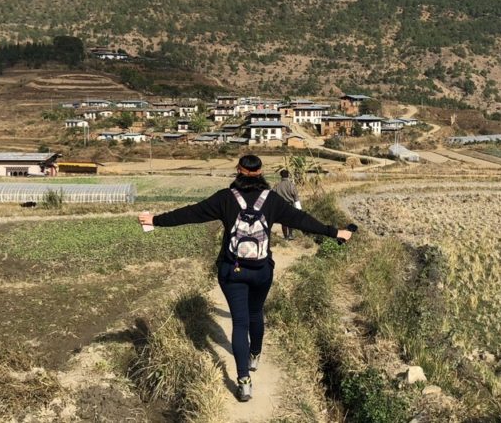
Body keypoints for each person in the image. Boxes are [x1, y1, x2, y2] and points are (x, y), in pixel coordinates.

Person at [138, 155, 352, 402]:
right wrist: (336, 232)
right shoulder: (271, 199)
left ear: (238, 171)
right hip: (261, 270)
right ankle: (255, 355)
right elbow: (303, 220)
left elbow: (191, 213)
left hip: (232, 270)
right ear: (261, 172)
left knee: (240, 323)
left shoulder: (225, 198)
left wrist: (155, 220)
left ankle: (244, 382)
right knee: (256, 313)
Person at [272, 169, 300, 240]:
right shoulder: (291, 185)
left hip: (281, 206)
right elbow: (296, 196)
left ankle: (285, 237)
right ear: (288, 175)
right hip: (290, 205)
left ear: (281, 176)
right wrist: (298, 207)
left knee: (283, 222)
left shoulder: (277, 185)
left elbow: (272, 194)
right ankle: (290, 235)